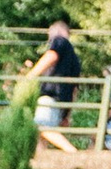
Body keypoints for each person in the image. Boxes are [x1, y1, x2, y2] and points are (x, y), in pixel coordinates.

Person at [26, 14, 82, 152]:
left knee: (41, 126)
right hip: (62, 101)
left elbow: (52, 56)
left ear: (56, 31)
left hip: (51, 94)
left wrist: (30, 75)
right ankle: (41, 165)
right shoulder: (75, 59)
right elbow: (75, 89)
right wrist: (67, 115)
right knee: (41, 136)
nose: (49, 38)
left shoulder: (59, 40)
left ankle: (73, 153)